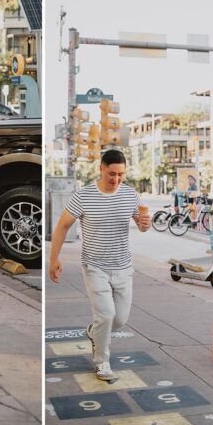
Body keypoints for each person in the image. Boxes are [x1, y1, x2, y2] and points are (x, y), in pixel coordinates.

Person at [50, 150, 150, 381]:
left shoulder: (129, 194)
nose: (116, 179)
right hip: (95, 266)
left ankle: (94, 333)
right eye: (111, 174)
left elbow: (142, 224)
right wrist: (54, 258)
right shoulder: (83, 196)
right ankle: (102, 361)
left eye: (121, 174)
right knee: (105, 315)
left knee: (120, 319)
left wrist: (146, 223)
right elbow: (63, 226)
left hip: (123, 266)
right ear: (101, 169)